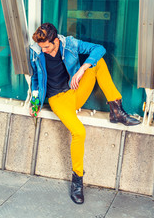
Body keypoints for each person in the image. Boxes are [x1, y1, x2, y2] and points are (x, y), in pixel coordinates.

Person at [29, 23, 140, 204]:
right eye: (42, 48)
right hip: (58, 100)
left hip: (75, 90)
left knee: (98, 63)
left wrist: (82, 69)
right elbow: (35, 78)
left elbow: (100, 49)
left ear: (56, 41)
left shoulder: (69, 43)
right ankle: (77, 181)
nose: (44, 51)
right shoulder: (36, 51)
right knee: (79, 132)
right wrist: (35, 101)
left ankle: (116, 110)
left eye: (47, 47)